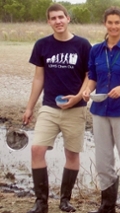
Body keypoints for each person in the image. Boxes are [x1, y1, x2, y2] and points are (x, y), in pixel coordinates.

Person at [23, 3, 91, 213]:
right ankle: (41, 202)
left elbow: (90, 76)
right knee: (37, 149)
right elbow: (38, 78)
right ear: (49, 22)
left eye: (61, 17)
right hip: (50, 107)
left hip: (75, 108)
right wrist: (29, 107)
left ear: (68, 19)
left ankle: (65, 200)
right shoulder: (42, 45)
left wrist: (78, 96)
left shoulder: (82, 45)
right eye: (53, 18)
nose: (58, 21)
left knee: (72, 154)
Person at [82, 6, 120, 213]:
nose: (113, 26)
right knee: (103, 160)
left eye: (117, 22)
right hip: (99, 110)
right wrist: (87, 91)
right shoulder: (96, 50)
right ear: (105, 24)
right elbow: (92, 76)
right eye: (110, 22)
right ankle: (107, 205)